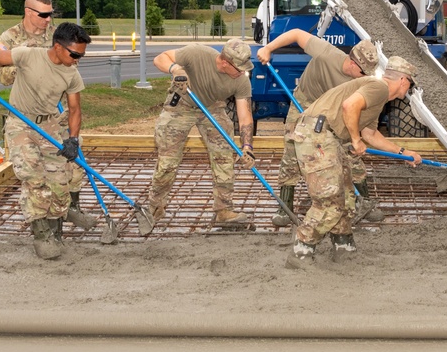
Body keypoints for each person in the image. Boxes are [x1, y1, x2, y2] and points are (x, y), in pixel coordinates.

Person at [285, 56, 422, 268]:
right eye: (410, 85)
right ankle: (301, 251)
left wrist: (404, 152)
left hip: (328, 139)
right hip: (318, 137)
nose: (409, 90)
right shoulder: (379, 87)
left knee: (347, 197)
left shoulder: (377, 97)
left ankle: (343, 244)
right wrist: (355, 140)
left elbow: (371, 133)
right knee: (329, 201)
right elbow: (350, 106)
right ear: (403, 80)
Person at [0, 23, 93, 259]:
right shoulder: (28, 55)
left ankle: (56, 233)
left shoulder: (72, 73)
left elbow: (75, 110)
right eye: (75, 54)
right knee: (34, 178)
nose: (78, 59)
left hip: (48, 125)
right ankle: (41, 236)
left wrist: (73, 140)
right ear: (58, 47)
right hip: (21, 122)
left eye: (82, 55)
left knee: (60, 182)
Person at [0, 0, 97, 232]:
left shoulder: (55, 35)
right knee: (35, 171)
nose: (49, 19)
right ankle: (47, 221)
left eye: (51, 14)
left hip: (54, 109)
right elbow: (3, 73)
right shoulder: (10, 38)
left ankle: (71, 207)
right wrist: (30, 67)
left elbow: (71, 64)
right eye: (44, 14)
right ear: (29, 12)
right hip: (27, 110)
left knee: (73, 157)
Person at [256, 30, 380, 226]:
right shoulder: (327, 53)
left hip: (333, 109)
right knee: (292, 150)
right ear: (352, 62)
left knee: (350, 153)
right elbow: (296, 34)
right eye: (363, 72)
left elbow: (361, 119)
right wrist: (268, 48)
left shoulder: (360, 83)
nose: (365, 77)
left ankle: (365, 201)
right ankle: (285, 207)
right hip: (306, 102)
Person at [147, 39, 256, 230]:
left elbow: (245, 115)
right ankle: (154, 208)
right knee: (168, 163)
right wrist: (175, 69)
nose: (241, 72)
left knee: (224, 157)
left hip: (213, 108)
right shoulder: (196, 53)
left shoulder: (241, 80)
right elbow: (159, 59)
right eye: (238, 68)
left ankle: (224, 211)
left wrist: (247, 147)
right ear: (224, 61)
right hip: (182, 104)